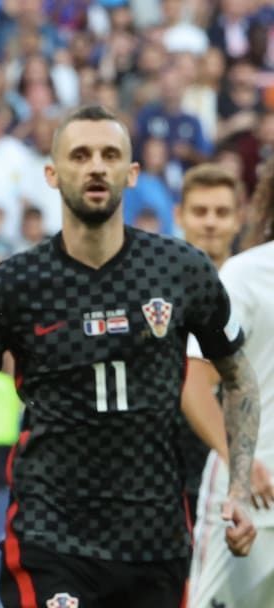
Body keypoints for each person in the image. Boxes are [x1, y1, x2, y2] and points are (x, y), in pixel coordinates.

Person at [0, 104, 261, 608]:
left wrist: (236, 485)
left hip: (158, 544)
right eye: (80, 155)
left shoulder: (181, 271)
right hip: (51, 539)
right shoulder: (15, 284)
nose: (96, 166)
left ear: (132, 172)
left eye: (109, 154)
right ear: (53, 173)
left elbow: (239, 377)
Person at [187, 164, 274, 608]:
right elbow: (194, 385)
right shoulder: (245, 276)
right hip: (247, 495)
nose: (210, 221)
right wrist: (241, 462)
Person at [173, 164, 268, 520]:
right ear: (179, 215)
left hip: (253, 470)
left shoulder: (259, 290)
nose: (210, 222)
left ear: (239, 218)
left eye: (221, 212)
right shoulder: (152, 295)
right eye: (200, 212)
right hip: (173, 475)